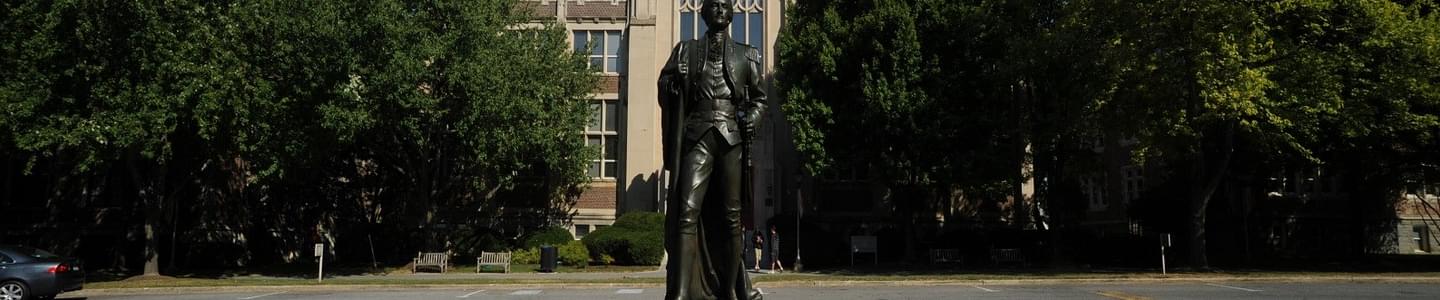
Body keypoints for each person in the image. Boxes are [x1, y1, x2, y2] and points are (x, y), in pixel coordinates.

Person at [658, 0, 766, 298]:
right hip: (697, 136)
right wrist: (673, 82)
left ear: (731, 15)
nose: (719, 10)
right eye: (713, 6)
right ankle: (680, 292)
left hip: (730, 139)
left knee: (732, 217)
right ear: (703, 14)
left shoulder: (747, 54)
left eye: (724, 6)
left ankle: (731, 289)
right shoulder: (686, 51)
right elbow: (665, 86)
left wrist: (752, 119)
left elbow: (759, 99)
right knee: (686, 211)